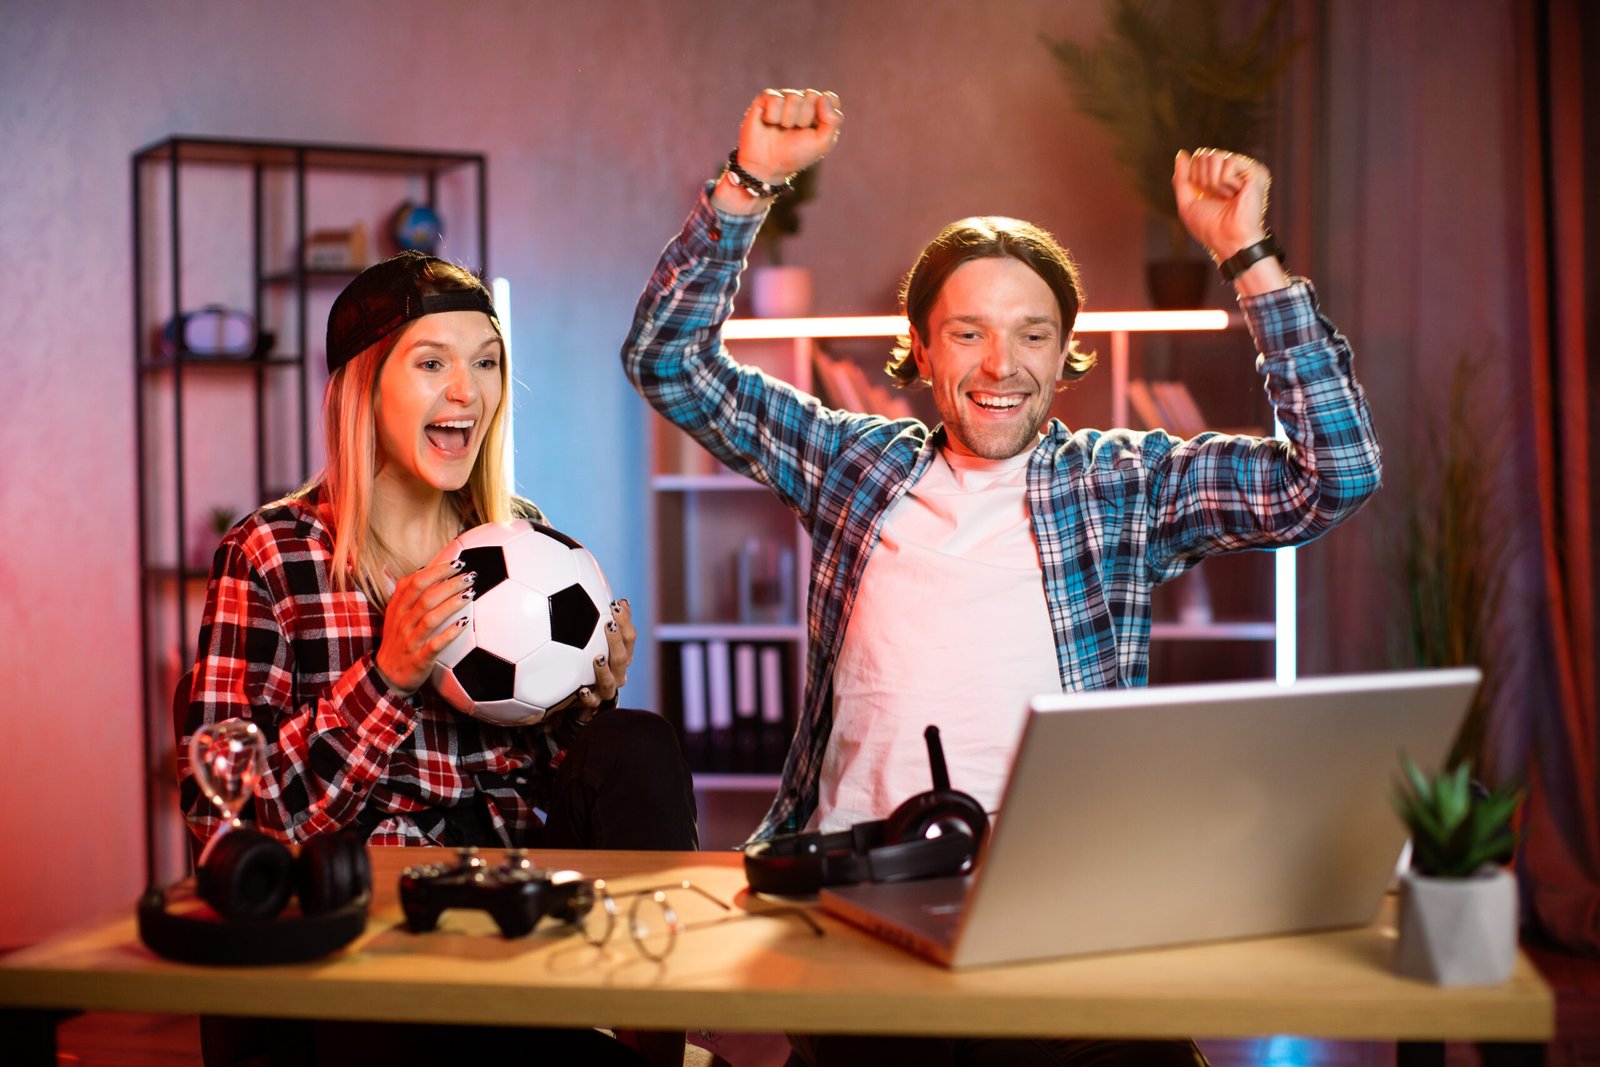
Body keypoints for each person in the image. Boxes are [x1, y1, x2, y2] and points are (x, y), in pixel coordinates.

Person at [622, 88, 1381, 1067]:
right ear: (923, 350)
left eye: (1031, 332)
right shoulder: (852, 462)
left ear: (1065, 352)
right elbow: (668, 361)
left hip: (1069, 921)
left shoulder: (1121, 484)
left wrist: (1246, 257)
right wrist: (749, 183)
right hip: (858, 912)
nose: (1001, 362)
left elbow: (1336, 473)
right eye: (969, 330)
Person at [178, 251, 699, 1066]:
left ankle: (665, 1026)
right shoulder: (272, 553)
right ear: (364, 385)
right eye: (433, 363)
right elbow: (225, 821)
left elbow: (546, 770)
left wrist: (583, 701)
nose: (469, 391)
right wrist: (386, 676)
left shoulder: (519, 536)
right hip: (372, 927)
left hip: (513, 899)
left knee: (638, 740)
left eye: (487, 362)